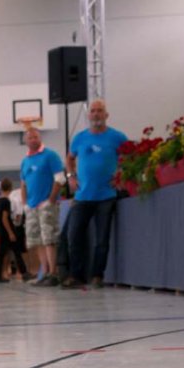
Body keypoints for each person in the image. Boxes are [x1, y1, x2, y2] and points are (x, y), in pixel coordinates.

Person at [65, 99, 128, 288]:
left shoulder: (118, 137)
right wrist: (71, 176)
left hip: (106, 196)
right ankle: (76, 276)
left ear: (106, 115)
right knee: (74, 235)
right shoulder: (79, 138)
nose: (96, 114)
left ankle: (97, 275)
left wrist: (121, 175)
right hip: (83, 196)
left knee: (102, 239)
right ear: (88, 115)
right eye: (93, 111)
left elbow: (129, 157)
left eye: (100, 111)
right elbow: (69, 158)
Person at [20, 128, 65, 286]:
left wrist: (51, 200)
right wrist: (25, 204)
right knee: (37, 240)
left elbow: (60, 179)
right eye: (30, 137)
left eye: (35, 136)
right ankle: (44, 272)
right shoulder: (25, 161)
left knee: (49, 238)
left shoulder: (50, 155)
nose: (33, 139)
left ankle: (53, 273)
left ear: (40, 138)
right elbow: (23, 184)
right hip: (31, 206)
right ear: (25, 141)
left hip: (46, 204)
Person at [0, 178, 27, 282]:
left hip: (2, 230)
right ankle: (23, 273)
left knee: (8, 253)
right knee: (11, 252)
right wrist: (10, 232)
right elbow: (4, 218)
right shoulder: (6, 201)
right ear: (11, 188)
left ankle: (23, 272)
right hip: (7, 231)